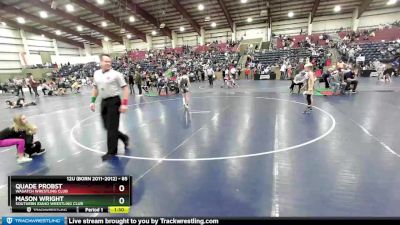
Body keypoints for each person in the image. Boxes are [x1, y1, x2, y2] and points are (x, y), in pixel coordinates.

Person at [90, 54, 130, 161]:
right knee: (106, 127)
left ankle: (111, 152)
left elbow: (126, 89)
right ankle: (123, 137)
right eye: (106, 61)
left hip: (114, 101)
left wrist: (124, 103)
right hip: (103, 102)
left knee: (111, 128)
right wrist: (92, 102)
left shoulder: (116, 74)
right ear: (101, 62)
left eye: (109, 62)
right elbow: (95, 88)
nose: (108, 63)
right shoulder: (96, 73)